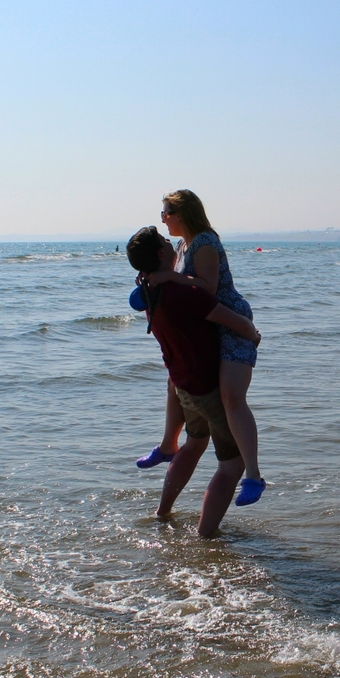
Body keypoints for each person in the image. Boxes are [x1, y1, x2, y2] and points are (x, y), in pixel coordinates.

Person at [126, 226, 263, 536]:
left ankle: (162, 514)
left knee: (194, 444)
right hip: (207, 389)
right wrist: (254, 336)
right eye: (164, 241)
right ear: (162, 254)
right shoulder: (186, 294)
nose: (170, 242)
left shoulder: (150, 295)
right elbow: (237, 323)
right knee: (232, 465)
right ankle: (206, 535)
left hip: (183, 388)